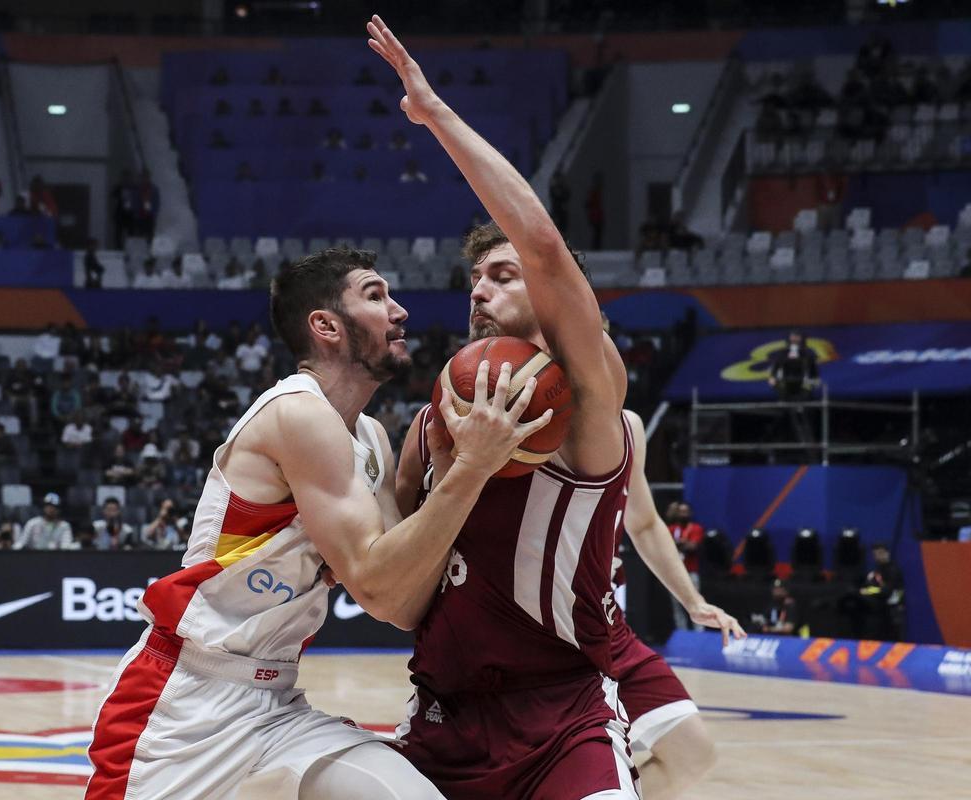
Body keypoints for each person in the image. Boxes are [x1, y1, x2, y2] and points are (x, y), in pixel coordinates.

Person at [85, 246, 546, 799]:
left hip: (276, 703)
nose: (400, 311)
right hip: (184, 701)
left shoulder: (370, 435)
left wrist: (449, 465)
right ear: (326, 325)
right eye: (376, 296)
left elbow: (404, 605)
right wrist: (472, 468)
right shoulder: (297, 412)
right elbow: (378, 587)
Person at [369, 16, 636, 797]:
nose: (481, 288)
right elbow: (397, 581)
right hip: (443, 719)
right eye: (476, 278)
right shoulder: (427, 420)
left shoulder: (590, 395)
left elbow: (547, 250)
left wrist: (433, 114)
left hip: (563, 718)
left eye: (502, 274)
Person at [602, 413, 743, 799]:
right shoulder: (523, 414)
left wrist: (693, 601)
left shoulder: (627, 425)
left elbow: (645, 523)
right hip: (538, 627)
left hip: (605, 625)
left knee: (690, 753)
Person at [667, 501, 705, 632]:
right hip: (675, 574)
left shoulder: (696, 528)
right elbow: (665, 546)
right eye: (681, 512)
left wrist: (677, 543)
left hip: (690, 572)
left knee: (696, 604)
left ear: (690, 513)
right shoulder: (672, 529)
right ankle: (682, 633)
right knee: (677, 606)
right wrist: (682, 543)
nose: (683, 514)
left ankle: (699, 634)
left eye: (686, 512)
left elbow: (692, 547)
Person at [768, 330, 818, 401]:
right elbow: (775, 369)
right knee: (783, 394)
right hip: (786, 382)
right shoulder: (782, 353)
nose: (794, 339)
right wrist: (773, 377)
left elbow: (814, 372)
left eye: (797, 337)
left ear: (801, 338)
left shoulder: (808, 354)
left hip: (803, 383)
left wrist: (813, 381)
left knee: (805, 397)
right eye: (793, 336)